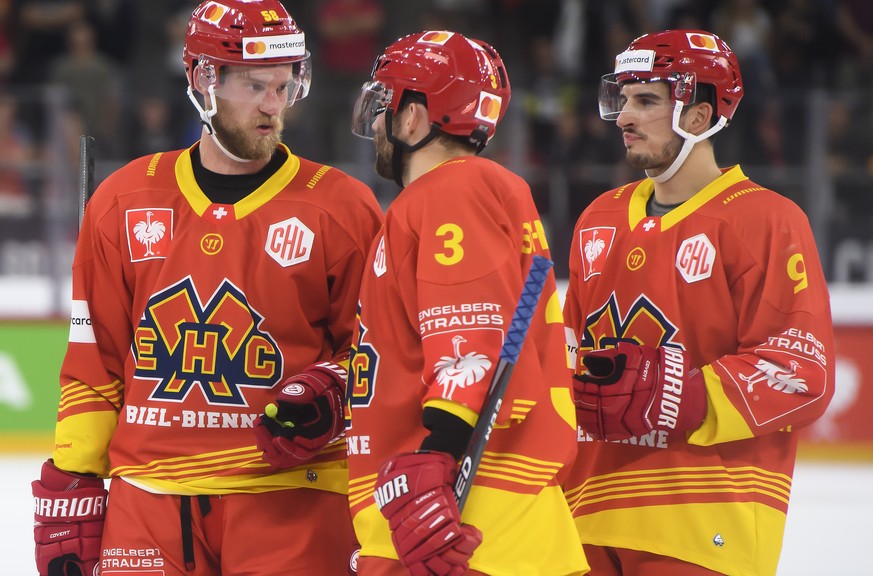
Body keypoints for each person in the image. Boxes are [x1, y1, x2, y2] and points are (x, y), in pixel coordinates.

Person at [31, 1, 384, 574]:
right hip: (147, 500)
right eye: (254, 86)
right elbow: (96, 361)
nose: (274, 106)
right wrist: (74, 475)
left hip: (289, 496)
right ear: (202, 80)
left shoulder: (341, 207)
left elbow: (378, 349)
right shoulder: (123, 201)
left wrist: (335, 385)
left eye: (284, 85)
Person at [563, 29, 835, 576]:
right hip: (582, 522)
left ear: (697, 114)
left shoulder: (766, 219)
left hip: (702, 522)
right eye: (622, 98)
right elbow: (569, 354)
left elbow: (802, 370)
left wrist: (676, 396)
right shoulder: (599, 217)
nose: (623, 117)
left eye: (646, 101)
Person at [347, 30, 589, 576]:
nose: (379, 122)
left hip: (466, 523)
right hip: (467, 522)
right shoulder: (457, 195)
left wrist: (440, 448)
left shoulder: (451, 191)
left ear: (414, 117)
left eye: (388, 101)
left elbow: (470, 336)